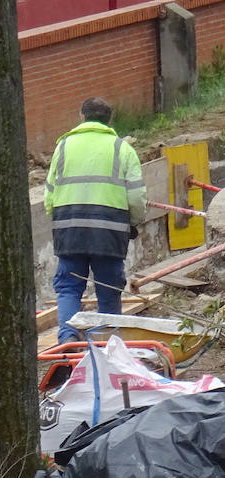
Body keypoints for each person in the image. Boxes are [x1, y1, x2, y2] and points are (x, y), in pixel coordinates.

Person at [45, 96, 147, 343]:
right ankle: (105, 343)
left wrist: (60, 217)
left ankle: (68, 338)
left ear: (82, 116)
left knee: (69, 286)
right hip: (109, 230)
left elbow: (50, 193)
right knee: (109, 288)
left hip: (69, 228)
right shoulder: (121, 148)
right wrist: (133, 222)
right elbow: (135, 196)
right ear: (109, 120)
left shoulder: (64, 146)